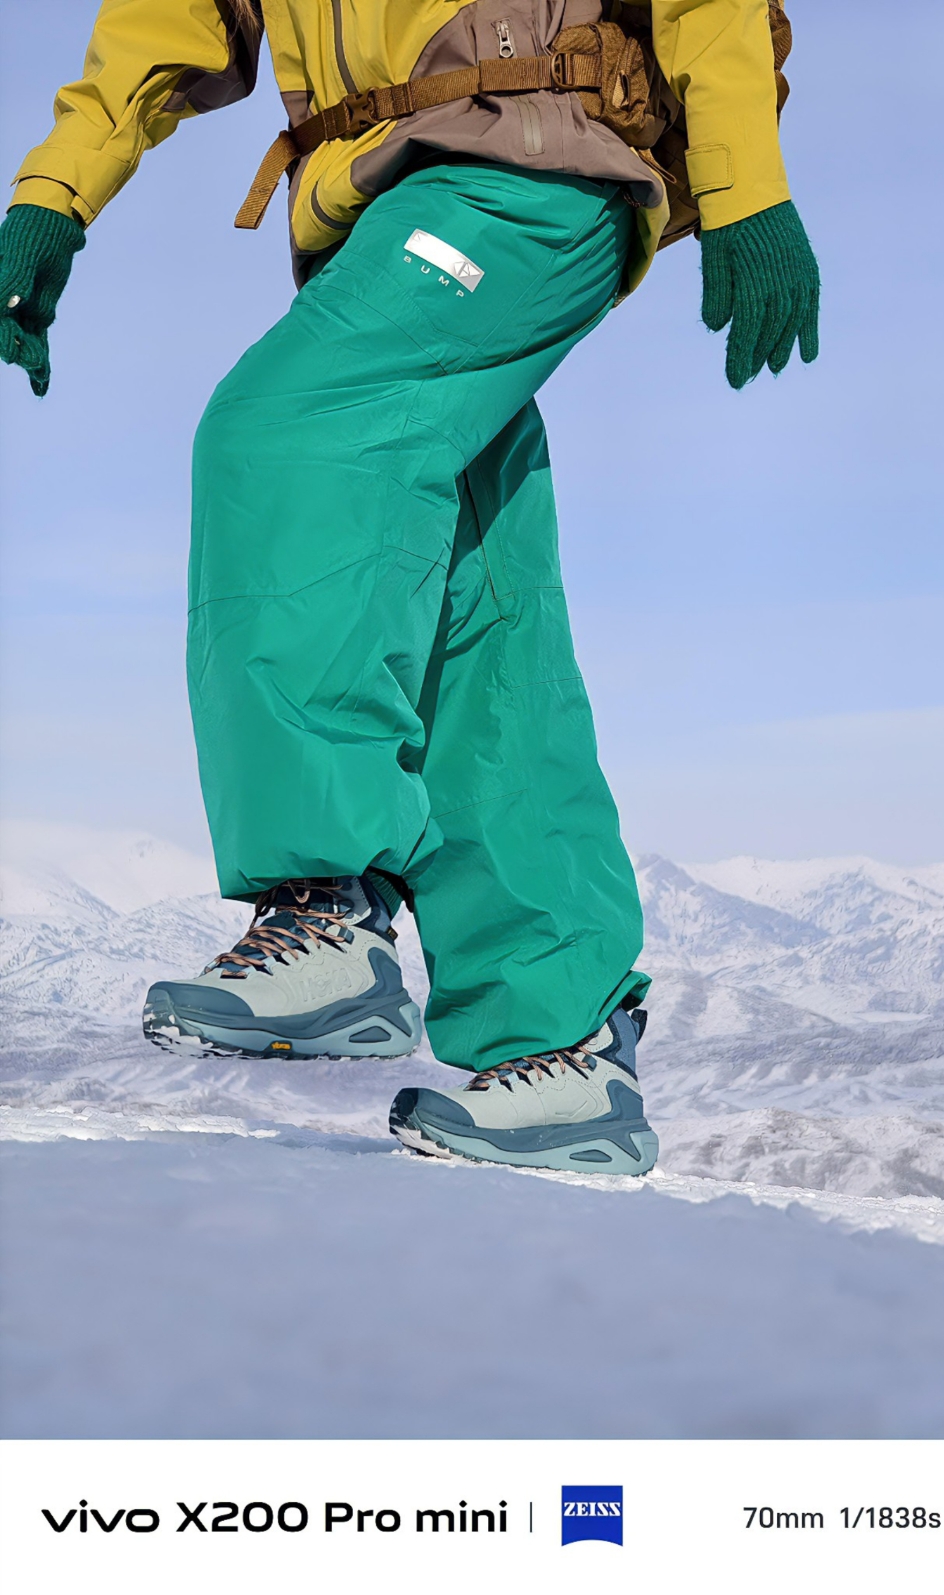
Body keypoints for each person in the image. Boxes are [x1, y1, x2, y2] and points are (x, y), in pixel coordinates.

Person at [0, 0, 818, 1175]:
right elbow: (170, 17)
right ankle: (566, 1049)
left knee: (284, 432)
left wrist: (749, 190)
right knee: (476, 615)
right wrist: (53, 197)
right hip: (384, 210)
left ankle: (328, 909)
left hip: (521, 164)